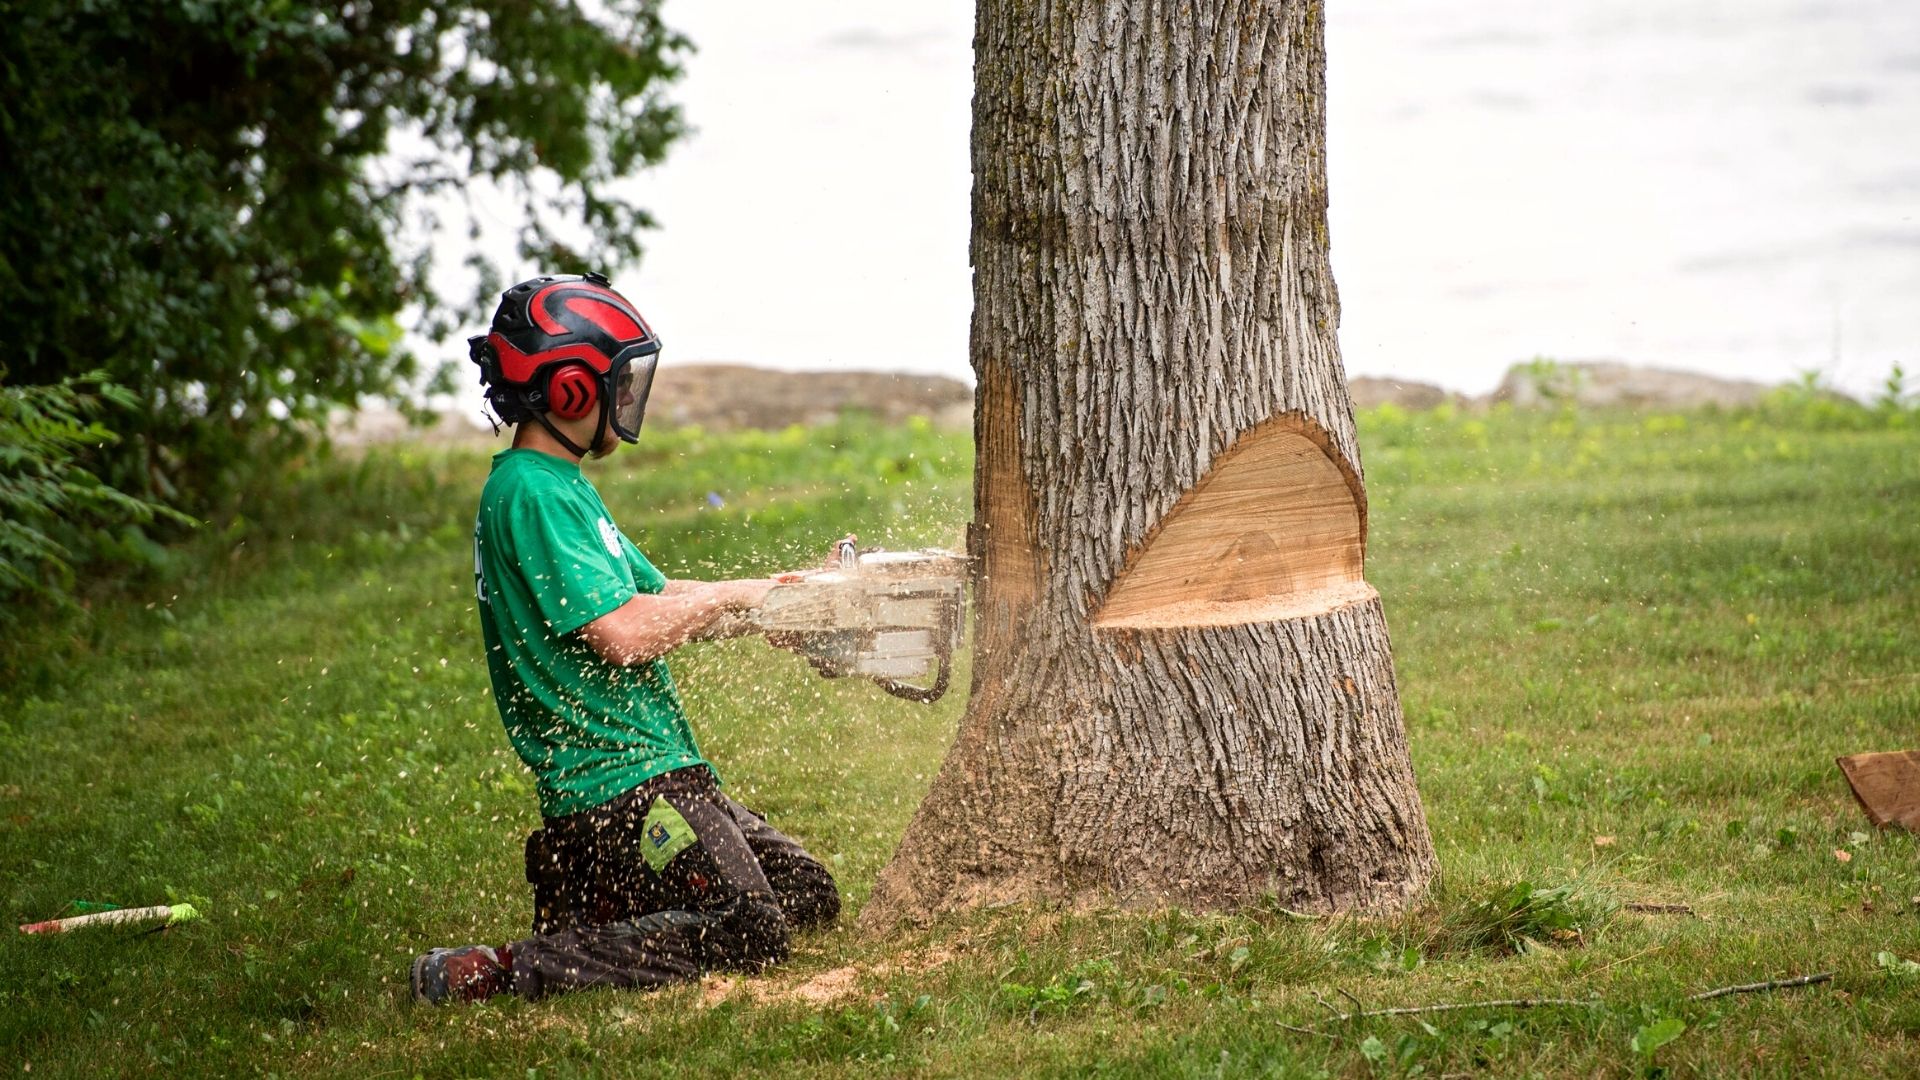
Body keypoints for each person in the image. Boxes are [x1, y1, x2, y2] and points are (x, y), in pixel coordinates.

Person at [409, 272, 841, 1005]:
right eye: (620, 379)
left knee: (807, 895)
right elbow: (624, 633)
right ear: (572, 388)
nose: (629, 396)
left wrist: (784, 599)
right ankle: (507, 967)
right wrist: (739, 598)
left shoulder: (563, 485)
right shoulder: (529, 494)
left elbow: (663, 598)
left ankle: (607, 908)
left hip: (660, 779)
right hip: (617, 795)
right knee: (750, 929)